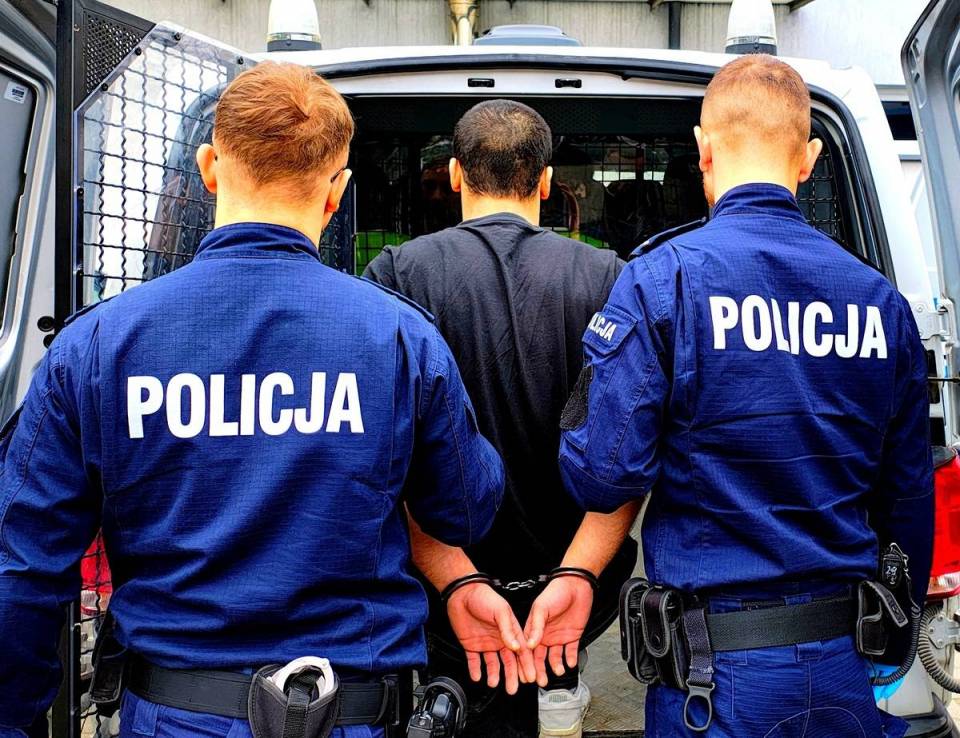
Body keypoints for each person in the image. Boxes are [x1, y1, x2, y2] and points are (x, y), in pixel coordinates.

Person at [0, 62, 504, 738]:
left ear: (210, 168)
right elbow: (464, 508)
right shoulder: (399, 338)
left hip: (173, 715)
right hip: (349, 712)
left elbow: (22, 569)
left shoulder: (97, 346)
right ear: (337, 191)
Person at [558, 54, 934, 738]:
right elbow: (907, 501)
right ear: (809, 159)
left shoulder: (662, 282)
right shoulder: (880, 303)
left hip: (715, 680)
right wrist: (891, 645)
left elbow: (602, 474)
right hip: (843, 667)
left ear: (703, 150)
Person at [365, 100, 640, 738]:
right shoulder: (607, 275)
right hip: (572, 579)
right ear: (546, 183)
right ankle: (562, 695)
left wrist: (455, 576)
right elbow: (630, 447)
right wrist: (579, 570)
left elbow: (382, 455)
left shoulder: (397, 274)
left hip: (443, 582)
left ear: (455, 174)